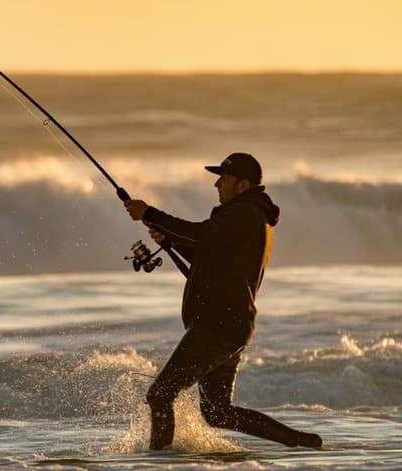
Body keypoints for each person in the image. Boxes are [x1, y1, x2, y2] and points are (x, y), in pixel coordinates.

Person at [123, 152, 322, 450]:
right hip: (230, 325)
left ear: (243, 185)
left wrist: (149, 213)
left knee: (160, 395)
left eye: (224, 179)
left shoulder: (245, 215)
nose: (217, 184)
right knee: (218, 413)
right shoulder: (247, 217)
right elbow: (209, 255)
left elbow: (202, 235)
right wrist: (170, 241)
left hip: (217, 326)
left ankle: (159, 463)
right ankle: (303, 442)